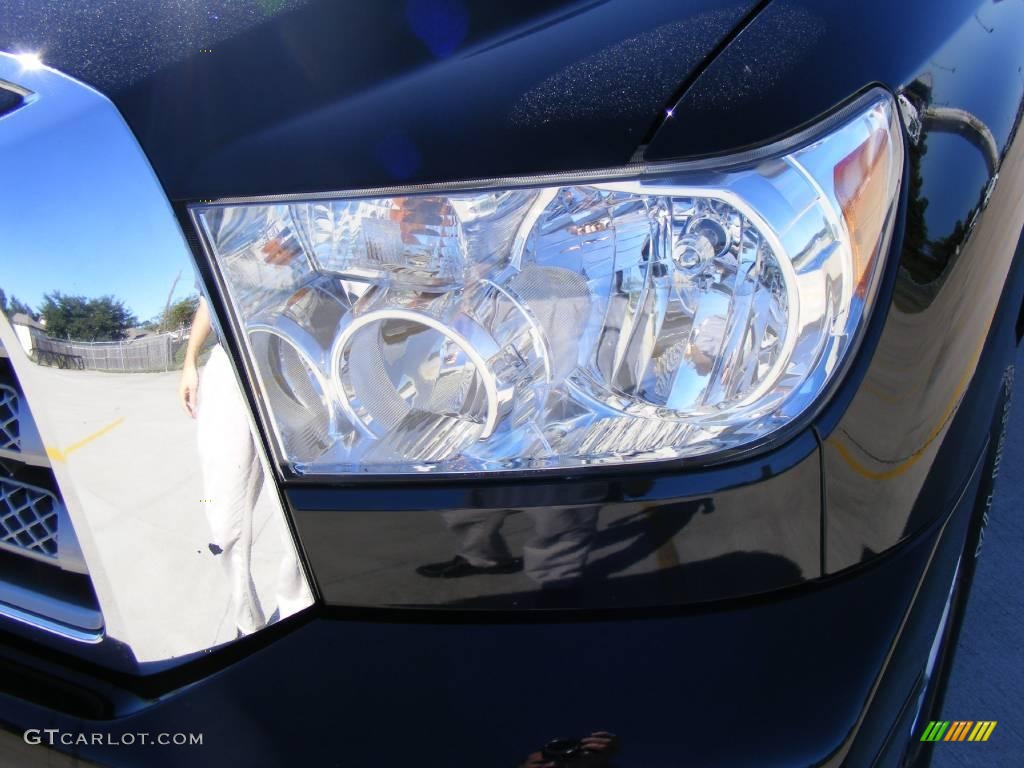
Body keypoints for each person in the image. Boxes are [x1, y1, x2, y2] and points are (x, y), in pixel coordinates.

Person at [179, 294, 307, 637]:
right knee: (223, 517)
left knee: (295, 509)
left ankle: (297, 612)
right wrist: (190, 361)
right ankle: (246, 623)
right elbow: (208, 298)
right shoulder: (212, 237)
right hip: (228, 361)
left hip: (287, 350)